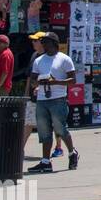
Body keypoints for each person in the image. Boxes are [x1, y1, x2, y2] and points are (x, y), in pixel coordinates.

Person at [26, 32, 79, 173]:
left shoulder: (64, 59)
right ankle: (45, 161)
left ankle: (72, 153)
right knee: (44, 131)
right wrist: (37, 83)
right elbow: (32, 80)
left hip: (58, 99)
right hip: (42, 99)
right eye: (43, 42)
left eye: (46, 42)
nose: (44, 44)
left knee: (60, 129)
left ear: (54, 44)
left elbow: (73, 80)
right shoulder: (39, 60)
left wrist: (55, 81)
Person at [20, 32, 45, 148]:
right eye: (33, 41)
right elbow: (29, 77)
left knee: (49, 125)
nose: (33, 43)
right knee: (28, 122)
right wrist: (26, 94)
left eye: (36, 41)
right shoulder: (34, 55)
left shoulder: (49, 57)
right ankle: (20, 148)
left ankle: (58, 147)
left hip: (46, 97)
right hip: (32, 96)